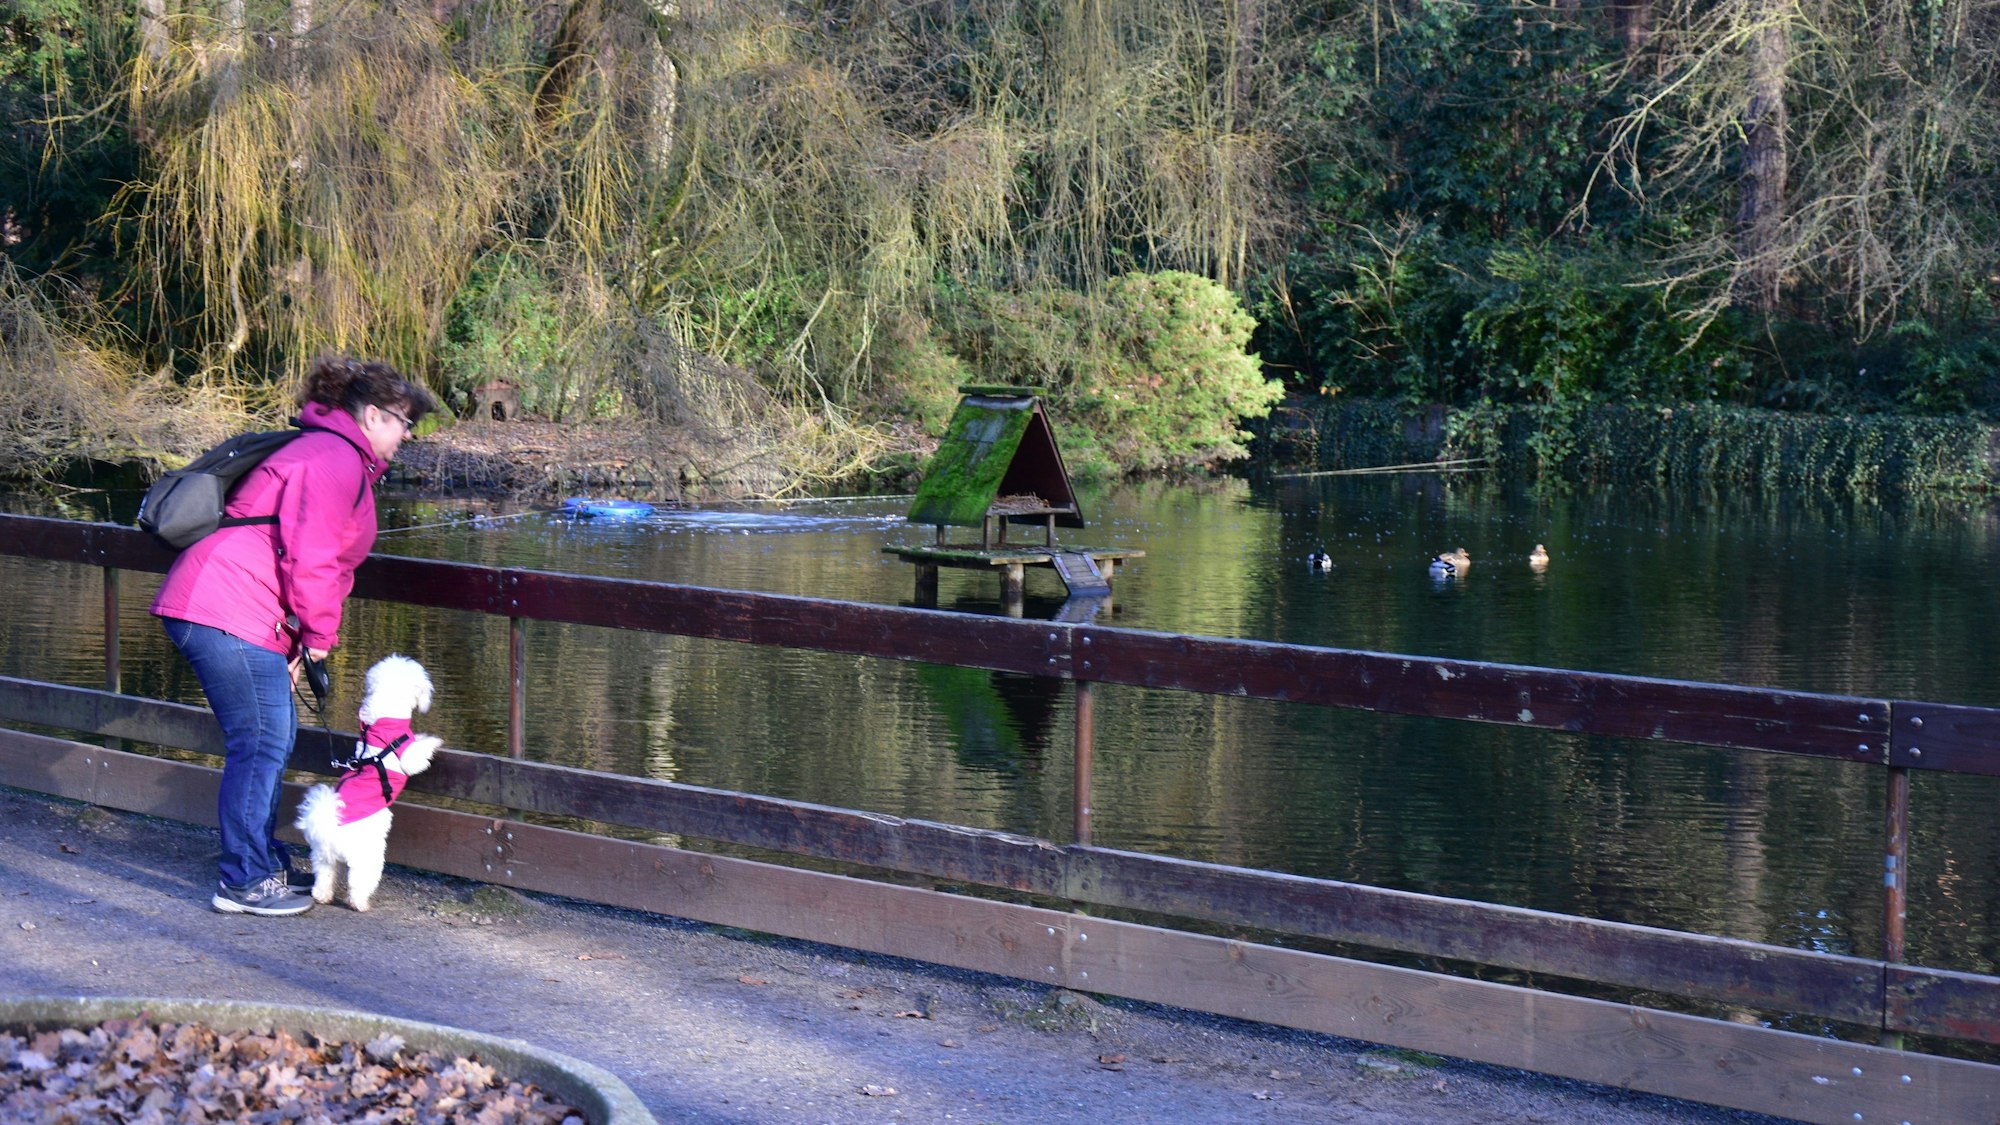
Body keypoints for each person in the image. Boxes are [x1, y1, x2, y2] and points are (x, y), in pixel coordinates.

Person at [152, 356, 436, 916]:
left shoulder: (326, 451)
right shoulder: (334, 458)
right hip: (225, 606)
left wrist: (294, 638)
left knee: (269, 739)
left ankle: (259, 859)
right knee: (260, 742)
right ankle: (244, 881)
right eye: (404, 421)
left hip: (230, 606)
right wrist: (318, 637)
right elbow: (313, 557)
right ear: (373, 416)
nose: (408, 434)